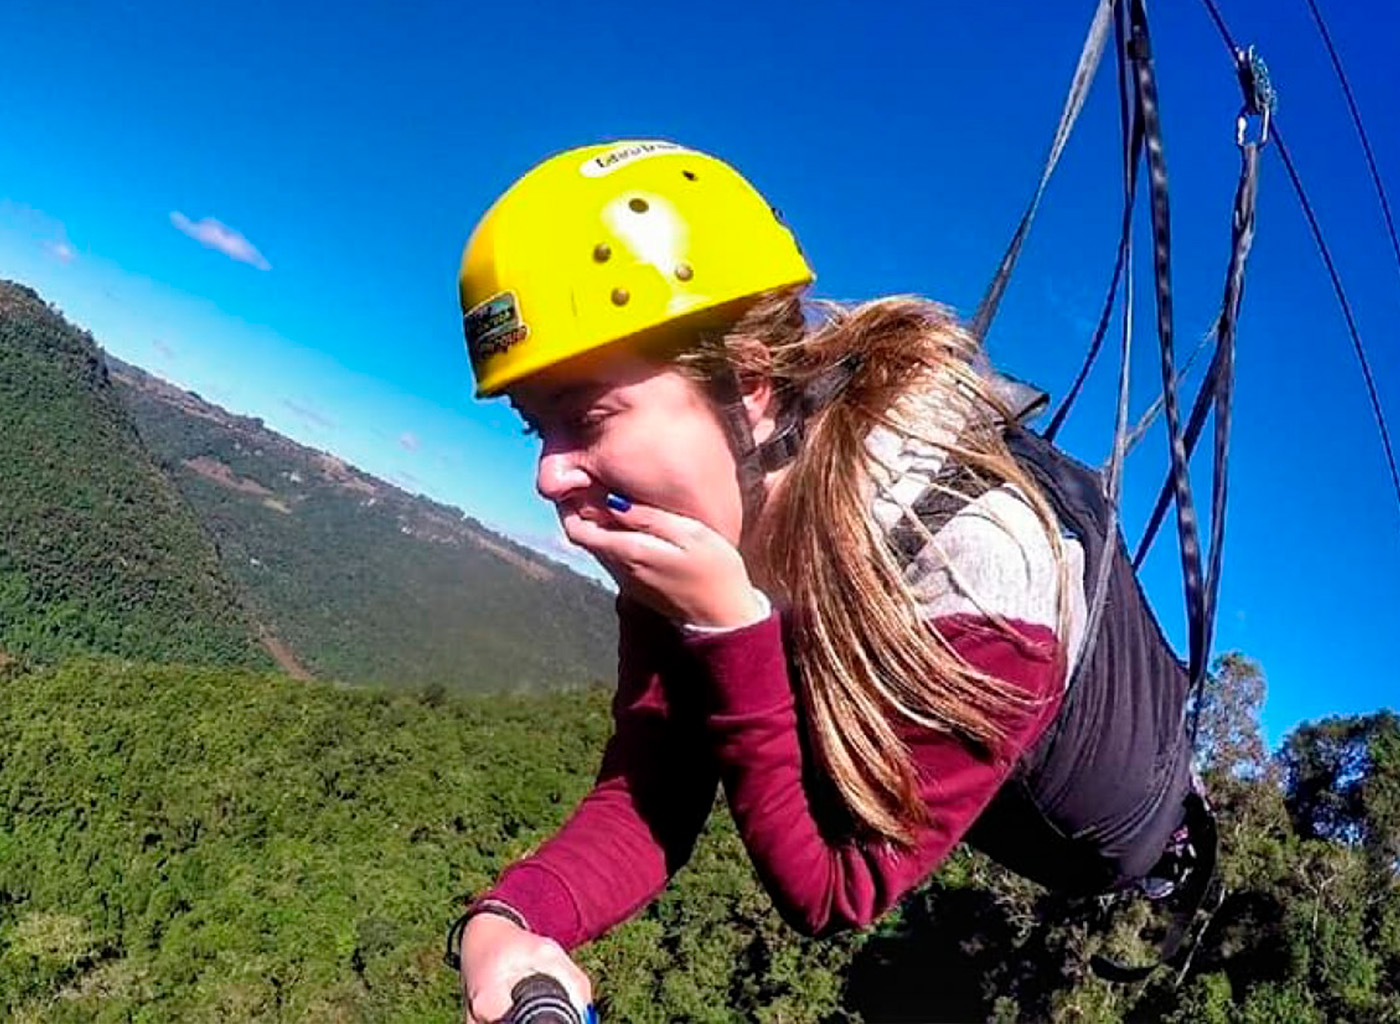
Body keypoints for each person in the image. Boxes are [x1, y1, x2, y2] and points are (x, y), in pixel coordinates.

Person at [448, 139, 1204, 1023]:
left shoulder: (982, 575)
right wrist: (508, 922)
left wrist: (731, 631)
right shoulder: (689, 525)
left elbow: (834, 891)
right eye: (533, 427)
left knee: (1112, 855)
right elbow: (657, 778)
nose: (549, 474)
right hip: (882, 704)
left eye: (585, 416)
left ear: (751, 381)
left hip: (1101, 827)